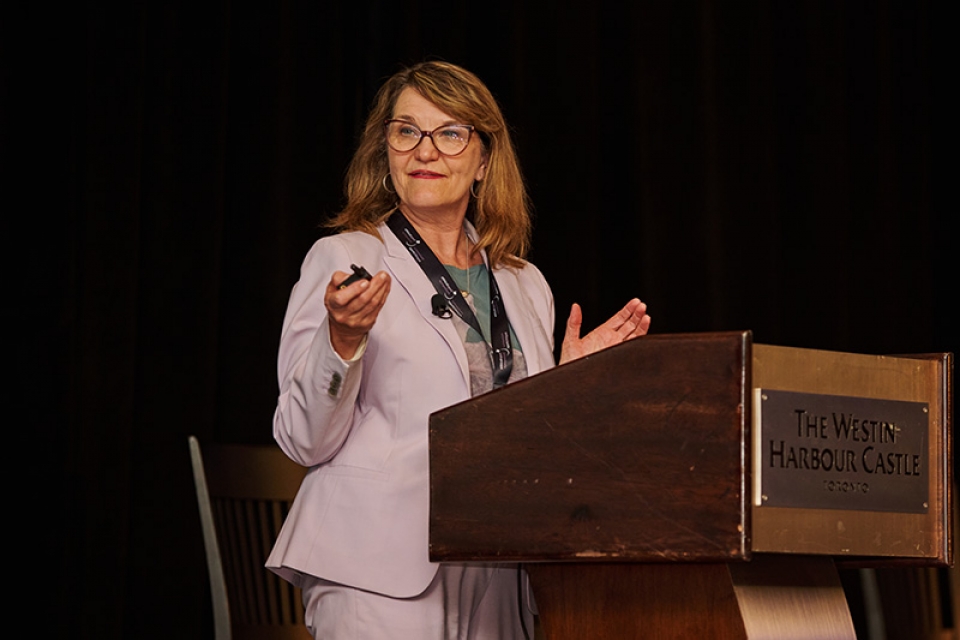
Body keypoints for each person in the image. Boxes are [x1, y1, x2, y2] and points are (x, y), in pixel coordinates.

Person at [266, 60, 651, 639]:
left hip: (502, 564)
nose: (425, 151)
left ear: (484, 160)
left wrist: (565, 385)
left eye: (449, 134)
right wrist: (341, 341)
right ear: (386, 150)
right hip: (380, 564)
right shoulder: (347, 260)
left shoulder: (525, 284)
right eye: (406, 131)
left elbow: (522, 435)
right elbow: (301, 437)